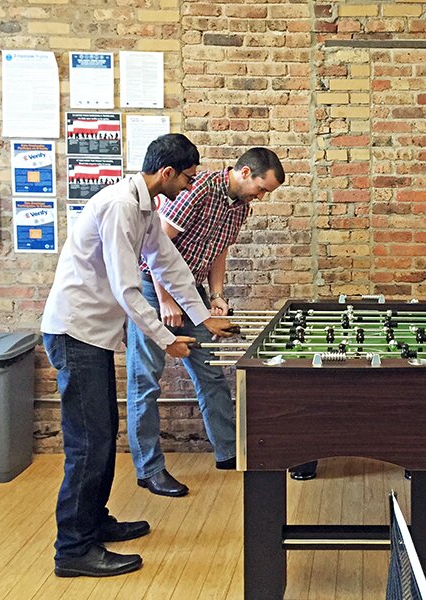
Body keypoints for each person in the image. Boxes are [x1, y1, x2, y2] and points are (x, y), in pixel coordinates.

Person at [41, 133, 236, 578]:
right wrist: (167, 340)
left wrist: (203, 317)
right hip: (75, 333)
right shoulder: (119, 207)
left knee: (102, 434)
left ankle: (93, 522)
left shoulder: (144, 207)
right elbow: (127, 289)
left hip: (91, 335)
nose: (189, 187)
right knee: (87, 445)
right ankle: (73, 549)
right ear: (166, 173)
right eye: (186, 178)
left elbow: (169, 264)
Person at [127, 147, 286, 497]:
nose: (261, 196)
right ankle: (149, 470)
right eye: (261, 188)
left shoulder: (241, 207)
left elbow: (218, 251)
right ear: (244, 172)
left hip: (192, 290)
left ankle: (228, 452)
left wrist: (215, 296)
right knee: (146, 381)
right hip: (154, 290)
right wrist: (167, 301)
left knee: (211, 372)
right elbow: (156, 246)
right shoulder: (198, 190)